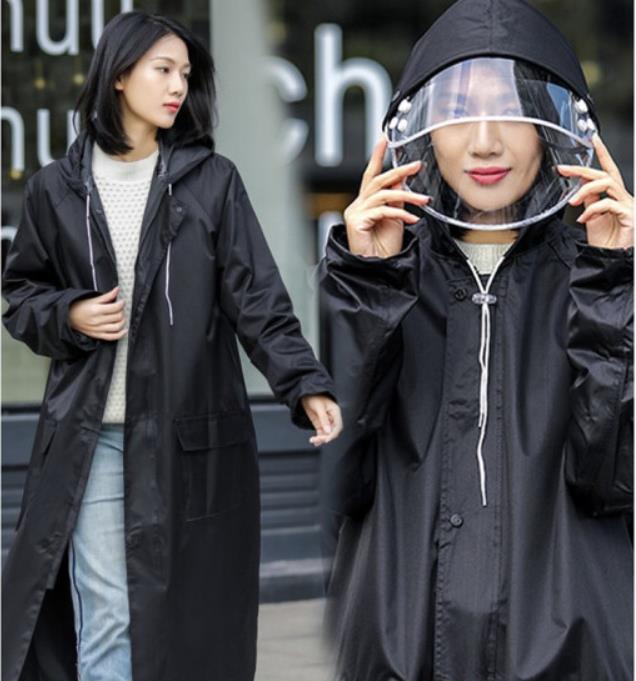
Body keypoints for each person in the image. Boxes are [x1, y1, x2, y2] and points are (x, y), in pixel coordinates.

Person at [2, 10, 342, 681]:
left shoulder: (211, 182)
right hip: (93, 436)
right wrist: (70, 313)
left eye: (185, 73)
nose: (177, 85)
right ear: (119, 75)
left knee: (185, 623)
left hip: (191, 440)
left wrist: (304, 382)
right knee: (108, 614)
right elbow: (22, 297)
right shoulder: (55, 189)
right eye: (163, 69)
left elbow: (258, 299)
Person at [320, 0, 633, 679]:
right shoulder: (378, 272)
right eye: (458, 111)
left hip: (570, 651)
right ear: (423, 131)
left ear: (551, 127)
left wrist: (614, 284)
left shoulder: (600, 277)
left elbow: (611, 477)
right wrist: (370, 283)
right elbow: (341, 472)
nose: (485, 142)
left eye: (511, 110)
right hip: (403, 648)